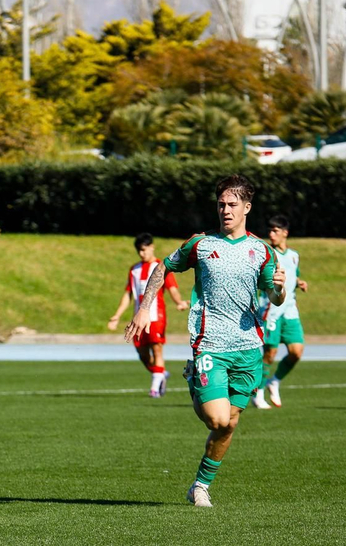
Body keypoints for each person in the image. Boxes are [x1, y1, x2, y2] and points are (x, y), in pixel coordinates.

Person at [128, 174, 285, 508]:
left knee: (230, 422)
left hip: (248, 348)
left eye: (231, 204)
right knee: (216, 418)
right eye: (221, 204)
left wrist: (280, 289)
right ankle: (194, 376)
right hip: (210, 343)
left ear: (247, 207)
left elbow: (274, 294)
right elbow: (163, 268)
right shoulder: (200, 244)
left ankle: (200, 485)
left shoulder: (262, 251)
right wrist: (144, 308)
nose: (225, 210)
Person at [107, 233, 189, 397]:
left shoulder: (161, 266)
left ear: (152, 247)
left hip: (156, 317)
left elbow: (172, 288)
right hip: (138, 318)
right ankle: (160, 373)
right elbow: (128, 295)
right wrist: (117, 315)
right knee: (142, 354)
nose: (142, 253)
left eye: (144, 249)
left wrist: (179, 302)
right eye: (139, 251)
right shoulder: (134, 270)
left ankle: (155, 388)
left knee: (157, 349)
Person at [251, 214, 309, 409]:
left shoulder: (294, 255)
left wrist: (300, 282)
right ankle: (258, 394)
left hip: (290, 309)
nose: (271, 234)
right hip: (271, 310)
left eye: (275, 231)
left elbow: (294, 273)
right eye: (270, 230)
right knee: (270, 353)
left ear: (285, 233)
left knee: (296, 352)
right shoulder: (267, 254)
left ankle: (274, 381)